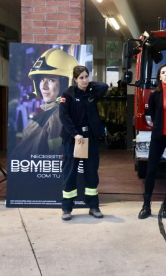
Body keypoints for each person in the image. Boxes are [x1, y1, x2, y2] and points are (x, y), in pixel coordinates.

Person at [59, 66, 108, 221]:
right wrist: (75, 134)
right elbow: (64, 117)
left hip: (90, 138)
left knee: (91, 173)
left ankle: (93, 207)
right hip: (73, 139)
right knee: (70, 173)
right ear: (75, 79)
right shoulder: (68, 95)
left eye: (86, 76)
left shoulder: (92, 93)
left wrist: (89, 84)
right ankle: (67, 209)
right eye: (81, 78)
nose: (85, 80)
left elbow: (104, 86)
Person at [11, 48, 79, 158]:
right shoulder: (73, 111)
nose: (43, 86)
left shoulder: (51, 117)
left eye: (51, 80)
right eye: (42, 80)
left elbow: (25, 157)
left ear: (66, 84)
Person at [138, 64, 166, 219]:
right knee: (151, 170)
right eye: (163, 72)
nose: (165, 75)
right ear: (159, 76)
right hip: (158, 136)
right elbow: (151, 110)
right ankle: (146, 204)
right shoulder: (155, 94)